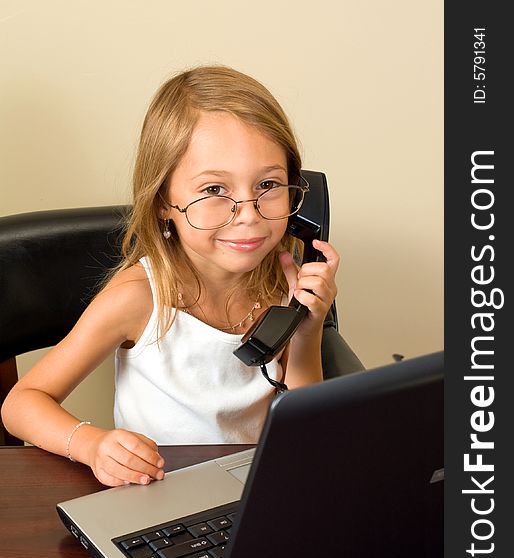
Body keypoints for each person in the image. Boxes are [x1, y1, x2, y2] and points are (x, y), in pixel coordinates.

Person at [1, 65, 339, 487]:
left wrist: (307, 330)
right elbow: (21, 403)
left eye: (268, 184)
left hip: (253, 487)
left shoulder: (279, 280)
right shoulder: (139, 297)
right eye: (215, 190)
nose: (250, 216)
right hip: (159, 493)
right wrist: (91, 444)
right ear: (163, 201)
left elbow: (305, 422)